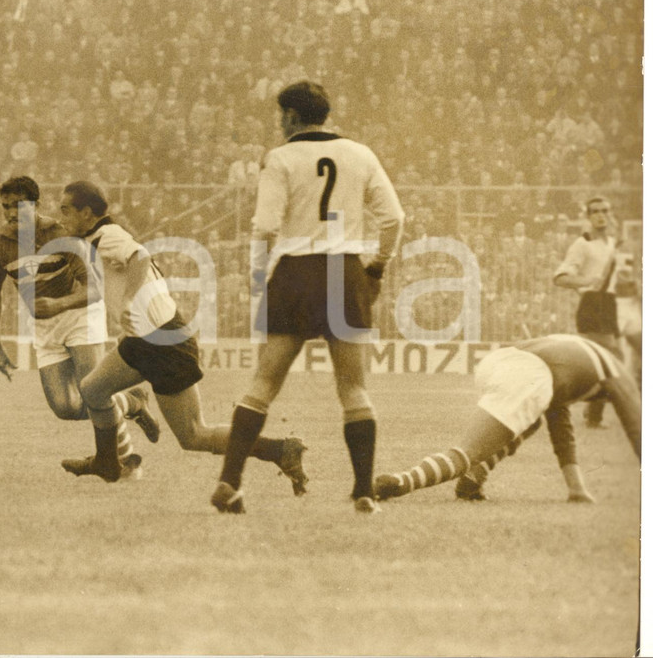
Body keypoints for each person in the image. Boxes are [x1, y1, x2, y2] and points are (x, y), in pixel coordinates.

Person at [212, 80, 405, 514]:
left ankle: (229, 481)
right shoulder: (360, 154)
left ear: (292, 117)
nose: (279, 123)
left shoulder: (281, 158)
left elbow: (264, 226)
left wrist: (260, 275)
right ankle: (363, 493)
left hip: (295, 273)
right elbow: (393, 217)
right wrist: (377, 266)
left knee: (263, 384)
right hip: (344, 271)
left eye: (281, 116)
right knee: (353, 388)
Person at [56, 180, 307, 491]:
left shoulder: (106, 236)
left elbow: (140, 256)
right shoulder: (95, 238)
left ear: (87, 213)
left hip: (163, 342)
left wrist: (131, 300)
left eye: (66, 210)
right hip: (145, 339)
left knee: (193, 436)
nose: (61, 217)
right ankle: (108, 462)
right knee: (93, 388)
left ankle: (280, 450)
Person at [0, 176, 159, 477]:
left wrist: (59, 304)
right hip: (44, 328)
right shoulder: (0, 246)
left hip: (80, 316)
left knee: (94, 392)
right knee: (65, 407)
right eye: (6, 207)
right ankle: (131, 402)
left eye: (18, 206)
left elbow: (93, 290)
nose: (11, 214)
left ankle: (123, 462)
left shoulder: (61, 234)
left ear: (35, 205)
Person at [375, 334, 641, 503]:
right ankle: (401, 482)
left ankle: (472, 480)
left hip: (501, 360)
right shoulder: (622, 376)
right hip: (530, 375)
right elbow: (638, 429)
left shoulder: (585, 354)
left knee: (529, 420)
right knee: (468, 451)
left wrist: (577, 489)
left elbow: (560, 423)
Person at [553, 196, 623, 427]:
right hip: (592, 305)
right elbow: (561, 278)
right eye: (595, 211)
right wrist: (586, 281)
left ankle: (592, 416)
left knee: (604, 364)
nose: (600, 215)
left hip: (610, 304)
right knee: (610, 360)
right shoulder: (582, 243)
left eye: (604, 210)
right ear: (588, 217)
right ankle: (562, 402)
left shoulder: (612, 243)